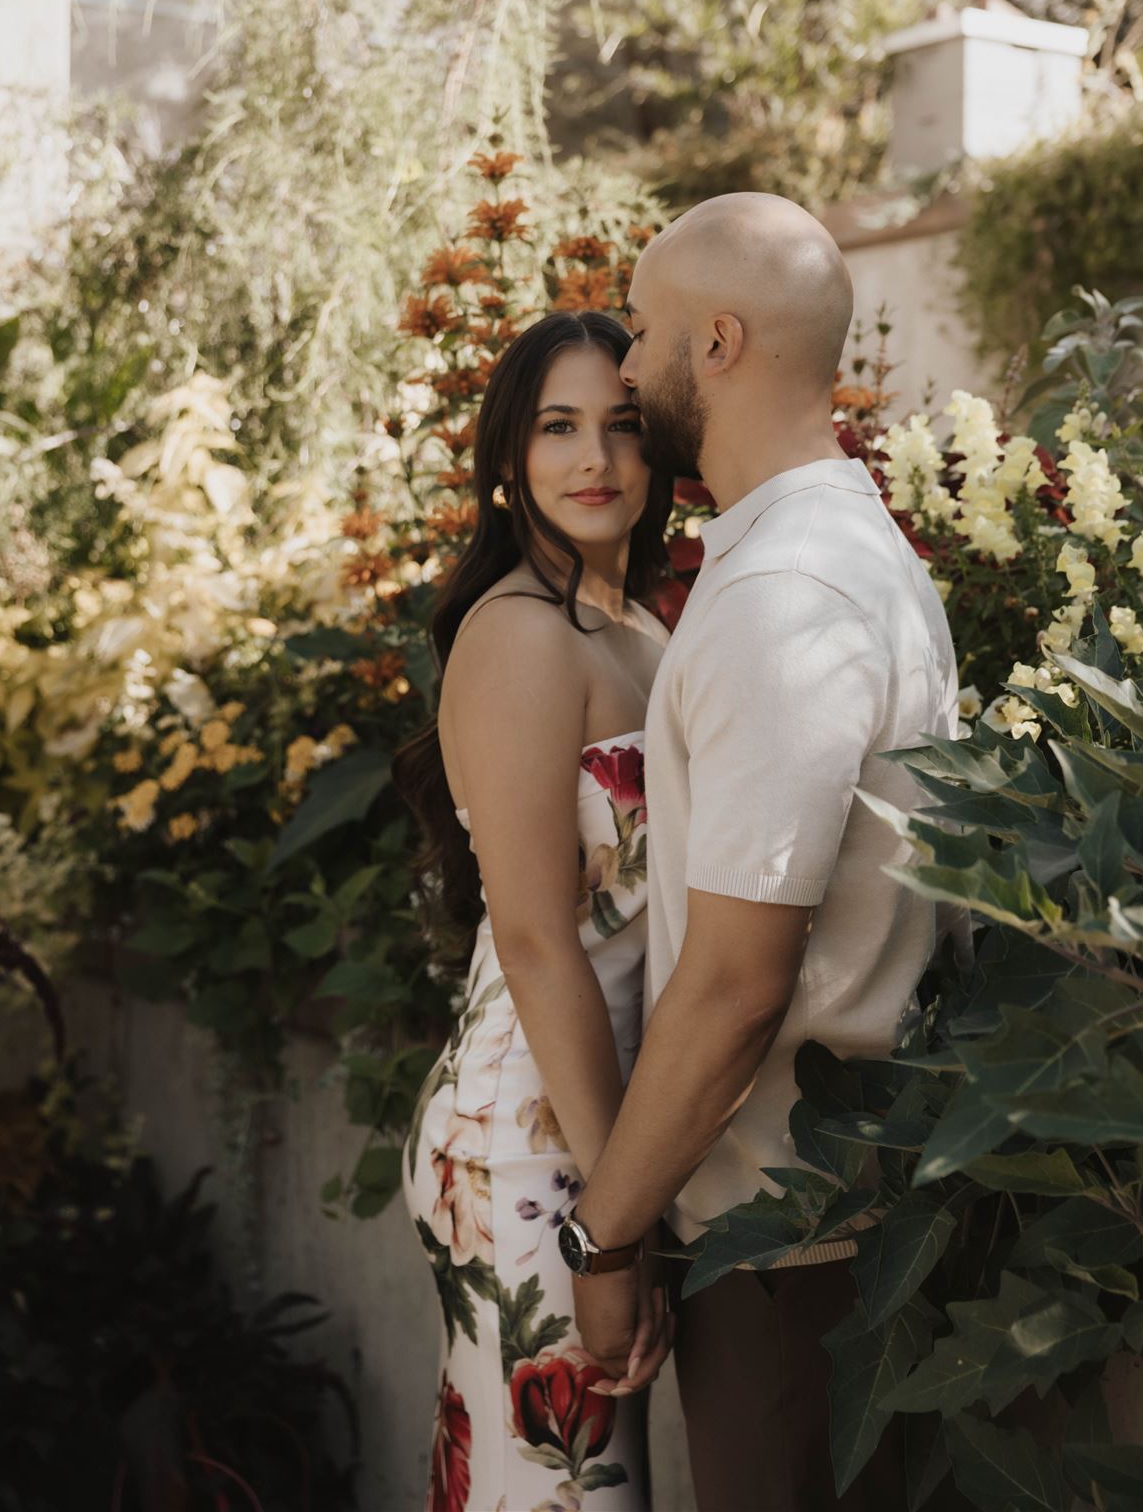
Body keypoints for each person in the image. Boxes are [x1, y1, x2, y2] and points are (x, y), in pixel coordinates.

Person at [561, 195, 961, 1512]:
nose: (623, 367)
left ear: (717, 342)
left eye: (644, 327)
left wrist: (605, 1233)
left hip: (788, 1247)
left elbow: (736, 986)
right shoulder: (848, 552)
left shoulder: (781, 601)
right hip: (836, 1218)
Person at [396, 309, 677, 1512]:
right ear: (509, 461)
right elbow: (532, 936)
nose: (595, 459)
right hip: (532, 1138)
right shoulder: (518, 634)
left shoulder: (637, 623)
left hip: (600, 1127)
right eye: (558, 427)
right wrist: (608, 1228)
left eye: (621, 425)